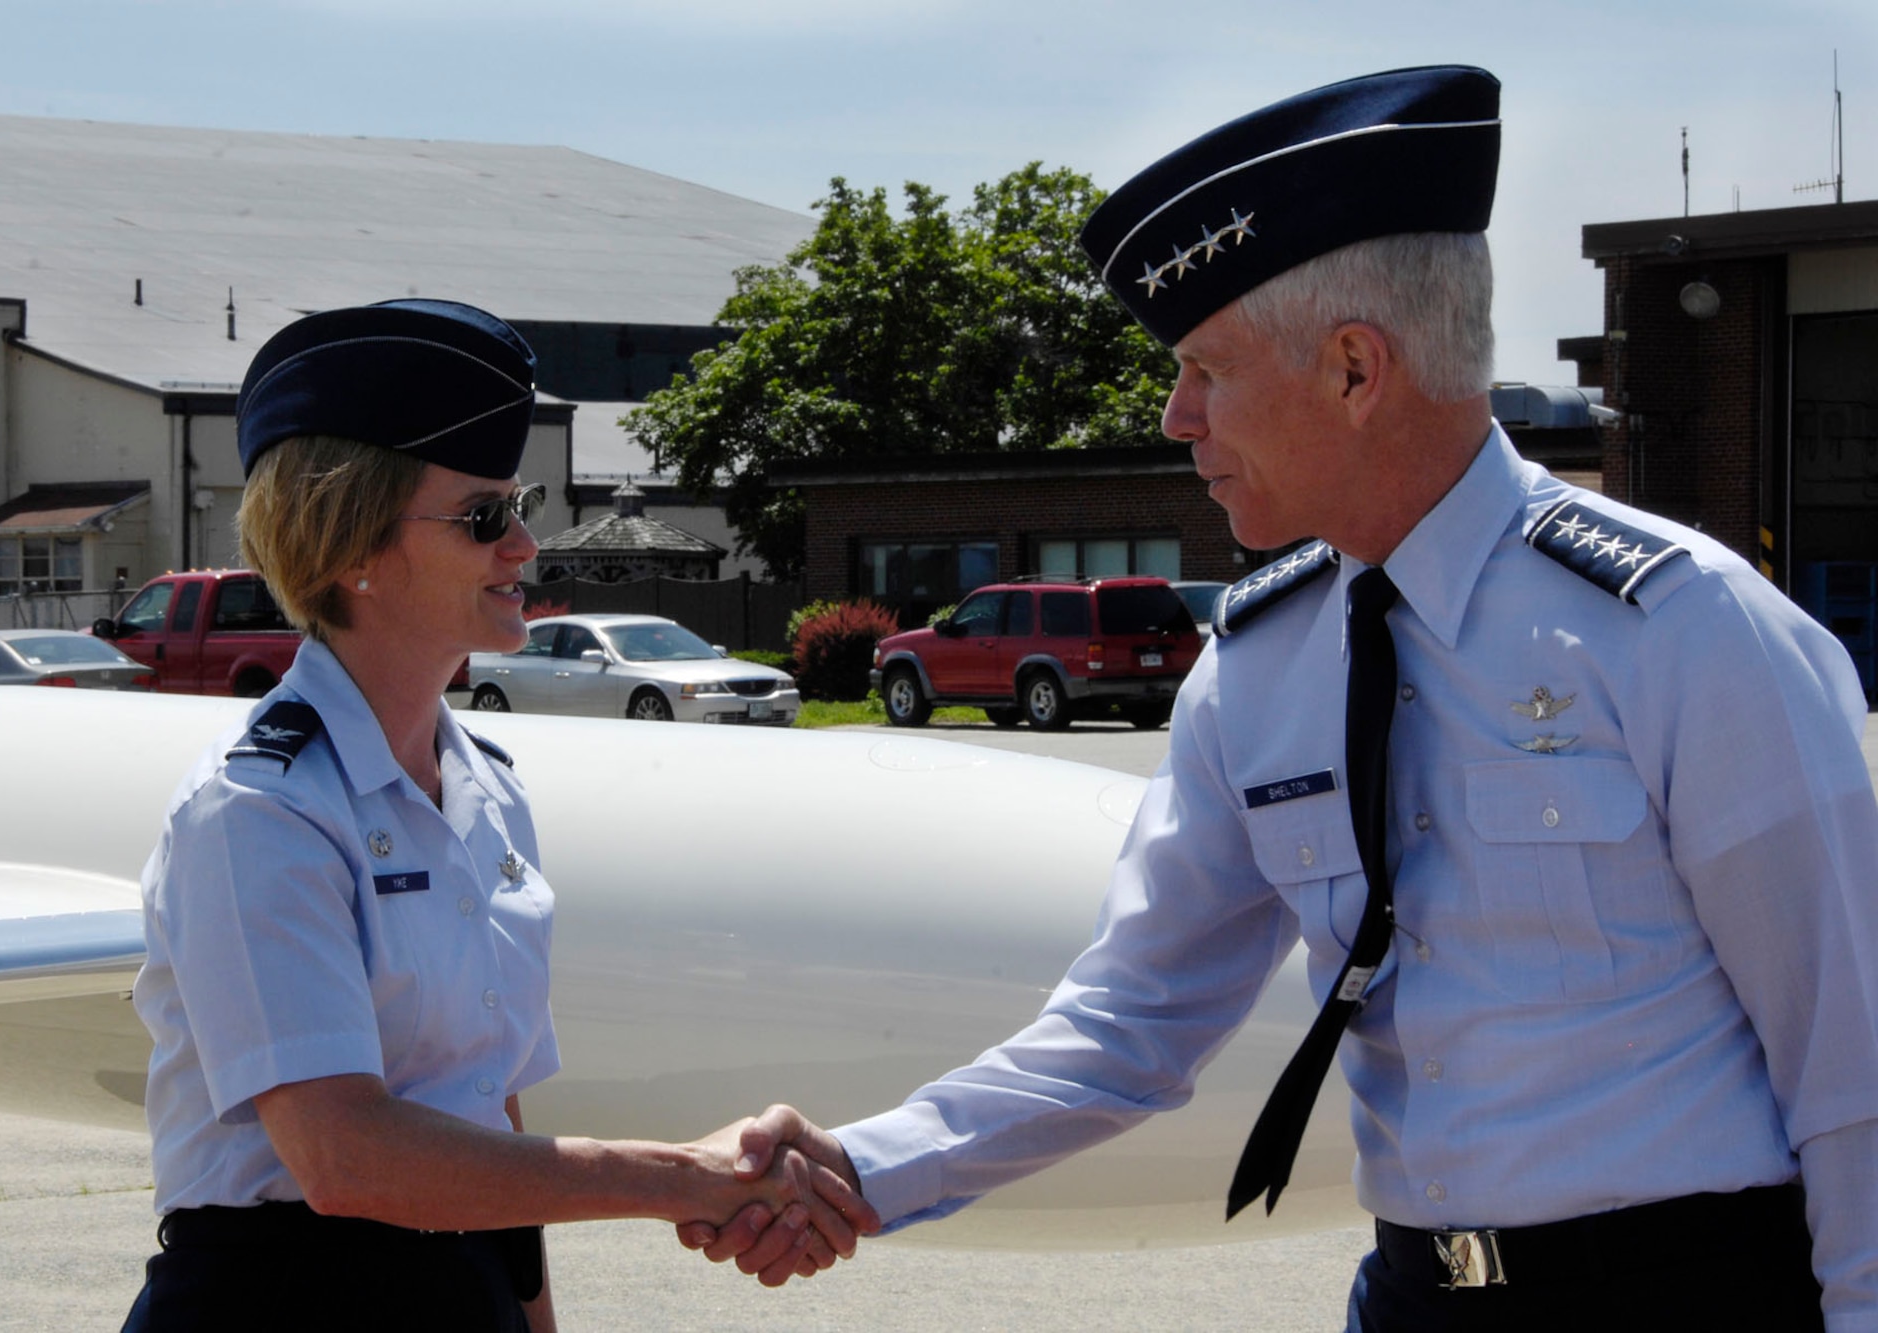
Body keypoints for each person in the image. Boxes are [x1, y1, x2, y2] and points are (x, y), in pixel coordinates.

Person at [682, 66, 1878, 1327]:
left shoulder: (1683, 630)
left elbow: (1850, 1060)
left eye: (1205, 367)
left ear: (1355, 369)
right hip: (1415, 1295)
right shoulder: (1262, 661)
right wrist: (858, 1166)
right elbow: (1129, 1019)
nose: (1173, 415)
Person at [121, 299, 874, 1333]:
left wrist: (533, 1318)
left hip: (458, 1293)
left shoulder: (487, 785)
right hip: (283, 1299)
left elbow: (490, 1106)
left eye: (516, 505)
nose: (525, 544)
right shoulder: (257, 810)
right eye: (483, 517)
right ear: (354, 549)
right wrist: (684, 1177)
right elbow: (344, 1156)